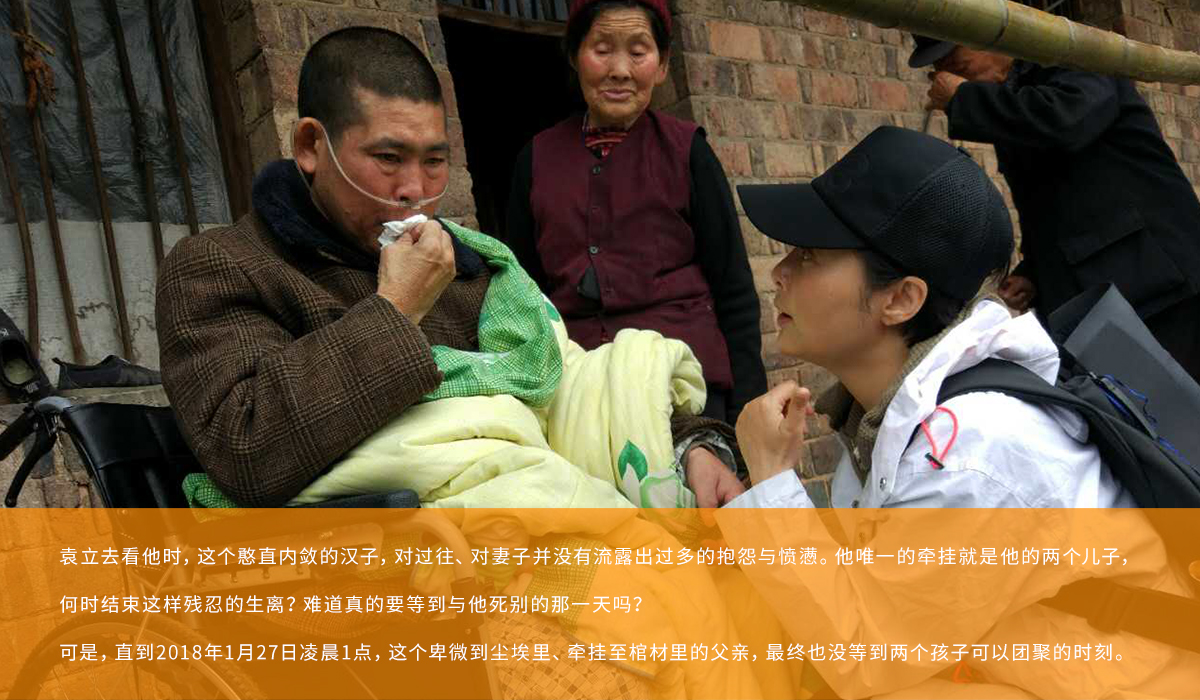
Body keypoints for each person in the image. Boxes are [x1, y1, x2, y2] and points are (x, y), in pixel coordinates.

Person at [155, 26, 740, 509]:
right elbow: (247, 450)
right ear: (311, 147)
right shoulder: (224, 267)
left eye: (434, 162)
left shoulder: (472, 268)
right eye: (388, 157)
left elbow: (570, 390)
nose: (414, 189)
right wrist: (397, 310)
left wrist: (688, 450)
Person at [718, 125, 1200, 698]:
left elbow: (865, 657)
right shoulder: (890, 419)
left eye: (810, 255)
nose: (779, 272)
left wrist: (771, 478)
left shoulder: (971, 450)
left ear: (901, 299)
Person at [504, 0, 767, 426]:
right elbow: (520, 295)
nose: (620, 70)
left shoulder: (688, 152)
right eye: (602, 49)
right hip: (578, 398)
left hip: (686, 393)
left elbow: (733, 291)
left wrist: (746, 415)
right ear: (574, 57)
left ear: (661, 65)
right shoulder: (534, 161)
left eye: (638, 51)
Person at [914, 36, 1200, 381]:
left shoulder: (1075, 57)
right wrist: (1033, 273)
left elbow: (1065, 123)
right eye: (939, 64)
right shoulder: (1016, 99)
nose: (946, 69)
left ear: (989, 34)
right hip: (1104, 298)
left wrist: (965, 98)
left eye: (954, 58)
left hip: (1160, 284)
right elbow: (1049, 206)